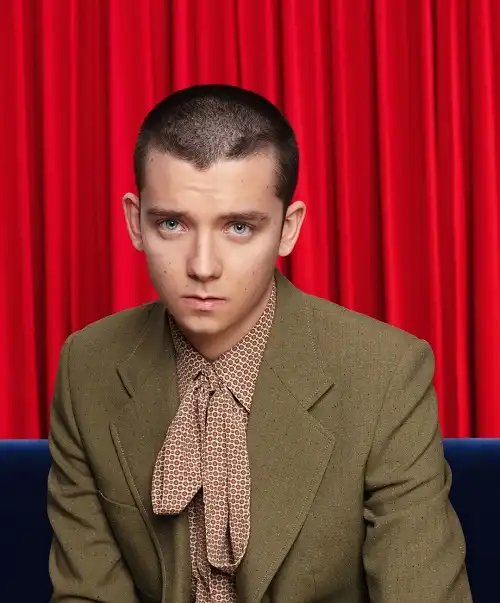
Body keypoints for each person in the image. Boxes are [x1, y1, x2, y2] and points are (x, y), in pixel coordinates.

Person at [47, 84, 472, 603]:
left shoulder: (386, 373)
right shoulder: (87, 366)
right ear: (136, 222)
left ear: (288, 229)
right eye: (172, 224)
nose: (203, 266)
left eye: (239, 227)